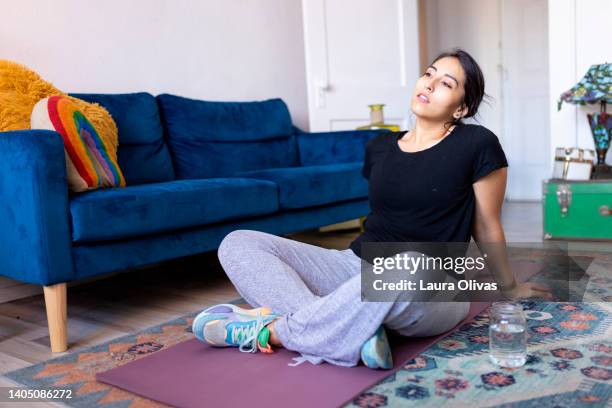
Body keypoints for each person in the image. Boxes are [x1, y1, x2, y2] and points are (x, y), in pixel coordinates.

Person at [191, 48, 553, 369]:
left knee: (410, 263)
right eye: (428, 74)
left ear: (461, 108)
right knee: (238, 243)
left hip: (430, 281)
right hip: (355, 267)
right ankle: (358, 331)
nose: (428, 84)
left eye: (445, 83)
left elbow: (487, 225)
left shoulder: (478, 143)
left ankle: (273, 332)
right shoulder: (379, 147)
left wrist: (510, 287)